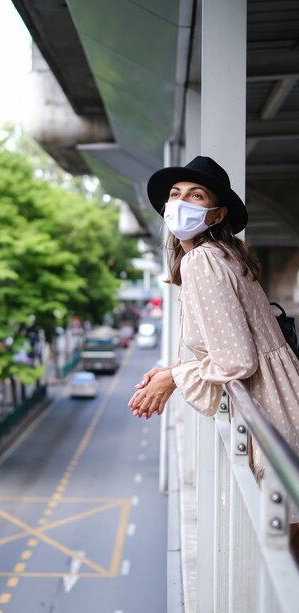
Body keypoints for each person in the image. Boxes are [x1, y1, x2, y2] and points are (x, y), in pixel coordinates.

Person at [127, 156, 299, 477]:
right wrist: (173, 372)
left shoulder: (202, 261)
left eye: (196, 195)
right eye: (175, 194)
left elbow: (237, 362)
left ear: (217, 215)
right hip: (286, 398)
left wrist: (173, 379)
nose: (180, 202)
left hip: (273, 411)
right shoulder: (224, 255)